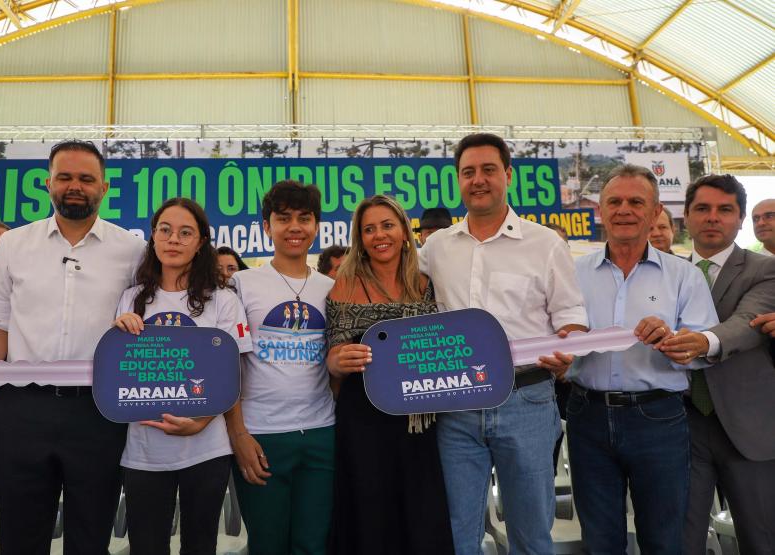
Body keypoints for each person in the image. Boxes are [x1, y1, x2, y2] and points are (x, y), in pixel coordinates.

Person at [419, 133, 587, 555]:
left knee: (531, 535)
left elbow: (571, 317)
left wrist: (568, 349)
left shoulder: (545, 244)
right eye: (468, 172)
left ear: (508, 175)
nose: (478, 180)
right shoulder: (436, 248)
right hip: (456, 405)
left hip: (526, 399)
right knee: (457, 535)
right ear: (458, 180)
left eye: (488, 170)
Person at [0, 140, 146, 553]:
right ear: (48, 183)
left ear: (104, 187)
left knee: (91, 535)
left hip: (100, 413)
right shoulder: (14, 244)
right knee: (20, 536)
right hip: (22, 411)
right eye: (65, 177)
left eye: (86, 178)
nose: (75, 186)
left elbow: (144, 325)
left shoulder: (133, 250)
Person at [566, 165, 719, 554]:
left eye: (636, 202)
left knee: (664, 540)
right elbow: (557, 340)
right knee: (600, 541)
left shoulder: (684, 276)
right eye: (614, 201)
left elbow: (702, 349)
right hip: (587, 416)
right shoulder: (572, 272)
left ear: (655, 213)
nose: (624, 210)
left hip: (658, 418)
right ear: (600, 211)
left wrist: (672, 339)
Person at [112, 198, 252, 555]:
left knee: (201, 545)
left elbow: (233, 372)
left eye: (185, 232)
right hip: (143, 452)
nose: (173, 239)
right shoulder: (130, 298)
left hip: (207, 449)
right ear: (153, 236)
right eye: (165, 230)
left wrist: (201, 421)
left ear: (201, 242)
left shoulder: (222, 300)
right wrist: (119, 334)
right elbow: (120, 373)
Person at [326, 195, 453, 555]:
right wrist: (338, 360)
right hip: (364, 418)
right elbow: (333, 356)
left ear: (403, 231)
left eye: (387, 225)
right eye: (369, 229)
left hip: (419, 420)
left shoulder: (427, 283)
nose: (379, 235)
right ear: (359, 238)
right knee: (371, 513)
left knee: (421, 513)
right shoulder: (345, 283)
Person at [658, 175, 775, 554]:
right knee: (682, 540)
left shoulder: (765, 269)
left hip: (747, 427)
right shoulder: (664, 273)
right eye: (703, 209)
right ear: (686, 216)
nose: (713, 217)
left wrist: (702, 342)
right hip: (679, 423)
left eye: (725, 210)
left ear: (740, 219)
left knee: (761, 539)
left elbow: (748, 323)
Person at [224, 180, 336, 555]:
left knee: (313, 545)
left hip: (321, 434)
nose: (294, 227)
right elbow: (227, 365)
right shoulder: (241, 284)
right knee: (267, 544)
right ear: (266, 226)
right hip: (261, 435)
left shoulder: (331, 288)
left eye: (304, 218)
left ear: (316, 225)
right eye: (283, 218)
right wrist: (239, 434)